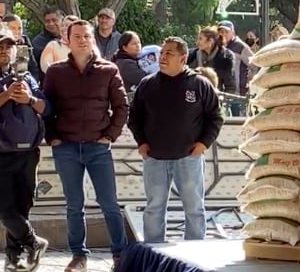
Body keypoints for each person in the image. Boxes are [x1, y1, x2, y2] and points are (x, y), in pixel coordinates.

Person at [42, 20, 129, 272]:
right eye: (77, 36)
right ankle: (78, 256)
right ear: (67, 40)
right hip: (66, 146)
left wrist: (110, 135)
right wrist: (52, 136)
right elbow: (46, 108)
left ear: (93, 39)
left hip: (98, 146)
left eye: (87, 36)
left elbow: (122, 106)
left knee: (109, 203)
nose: (82, 40)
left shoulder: (108, 70)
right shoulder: (56, 72)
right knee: (74, 205)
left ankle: (120, 255)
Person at [128, 37, 224, 243]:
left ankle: (194, 251)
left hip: (188, 157)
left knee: (194, 207)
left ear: (183, 58)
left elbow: (215, 117)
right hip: (155, 157)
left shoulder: (199, 84)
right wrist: (141, 142)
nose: (162, 57)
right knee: (154, 207)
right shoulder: (147, 84)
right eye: (162, 53)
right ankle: (154, 250)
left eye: (169, 54)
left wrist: (204, 143)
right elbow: (134, 116)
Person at [0, 30, 50, 271]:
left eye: (8, 46)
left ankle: (15, 257)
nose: (4, 51)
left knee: (21, 206)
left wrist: (29, 99)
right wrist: (7, 94)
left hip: (28, 152)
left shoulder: (28, 76)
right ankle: (34, 242)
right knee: (4, 208)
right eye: (0, 47)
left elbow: (45, 107)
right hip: (1, 152)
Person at [187, 27, 237, 97]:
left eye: (200, 39)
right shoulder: (192, 55)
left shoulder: (225, 57)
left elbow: (230, 85)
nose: (197, 42)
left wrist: (224, 99)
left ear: (210, 41)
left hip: (215, 96)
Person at [217, 21, 253, 115]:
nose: (223, 34)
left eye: (226, 32)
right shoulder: (218, 47)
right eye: (221, 32)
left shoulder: (240, 46)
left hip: (238, 92)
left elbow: (254, 63)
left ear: (233, 32)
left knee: (236, 118)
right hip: (221, 92)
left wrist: (250, 80)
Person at [32, 8, 62, 79]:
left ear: (61, 20)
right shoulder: (37, 42)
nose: (51, 24)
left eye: (54, 20)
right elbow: (34, 67)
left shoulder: (70, 38)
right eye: (47, 21)